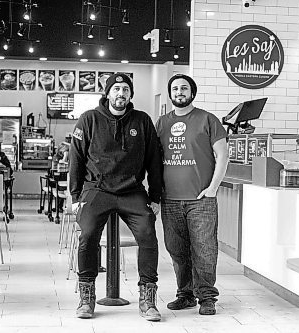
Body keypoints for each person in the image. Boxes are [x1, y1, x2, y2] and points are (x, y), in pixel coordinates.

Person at [69, 73, 163, 321]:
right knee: (87, 235)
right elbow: (76, 159)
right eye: (116, 89)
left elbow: (154, 160)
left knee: (148, 234)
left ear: (130, 94)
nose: (121, 93)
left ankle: (147, 298)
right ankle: (86, 296)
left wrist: (155, 197)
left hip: (132, 190)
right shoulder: (88, 119)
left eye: (125, 89)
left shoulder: (142, 121)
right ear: (108, 93)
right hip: (96, 189)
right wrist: (75, 196)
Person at [156, 74, 229, 315]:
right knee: (176, 249)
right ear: (170, 93)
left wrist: (213, 188)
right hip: (170, 199)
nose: (179, 92)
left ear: (192, 92)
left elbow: (223, 155)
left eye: (184, 88)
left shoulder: (208, 119)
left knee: (205, 249)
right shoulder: (162, 123)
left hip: (201, 200)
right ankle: (184, 294)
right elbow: (153, 159)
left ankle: (207, 297)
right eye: (175, 88)